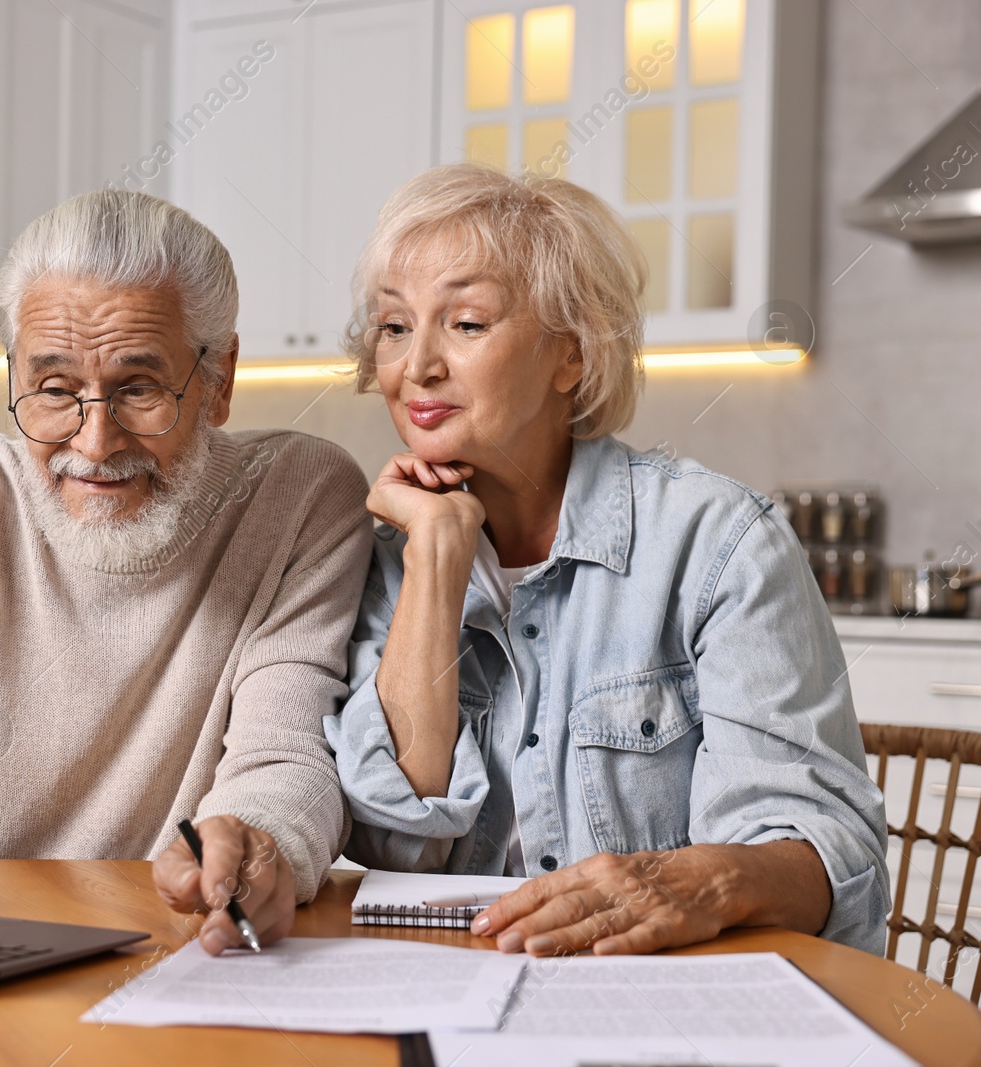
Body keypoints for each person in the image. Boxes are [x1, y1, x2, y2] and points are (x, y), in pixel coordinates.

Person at [325, 163, 889, 957]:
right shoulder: (386, 556)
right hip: (455, 990)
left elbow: (824, 852)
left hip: (669, 994)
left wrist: (699, 883)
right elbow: (399, 836)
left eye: (467, 323)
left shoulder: (717, 541)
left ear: (574, 355)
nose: (417, 364)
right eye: (393, 326)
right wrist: (439, 560)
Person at [0, 189, 372, 955]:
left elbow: (286, 751)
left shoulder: (300, 496)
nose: (95, 443)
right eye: (56, 389)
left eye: (138, 388)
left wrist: (254, 839)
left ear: (221, 380)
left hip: (175, 950)